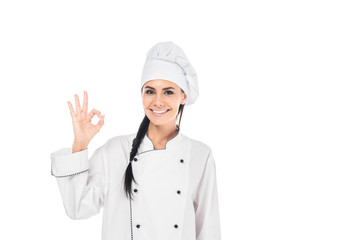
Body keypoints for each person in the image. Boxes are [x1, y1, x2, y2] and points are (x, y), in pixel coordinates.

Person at [50, 41, 222, 240]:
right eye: (150, 91)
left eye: (168, 91)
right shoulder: (115, 150)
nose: (157, 101)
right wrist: (80, 143)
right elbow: (77, 207)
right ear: (142, 94)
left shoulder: (200, 154)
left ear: (183, 96)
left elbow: (208, 229)